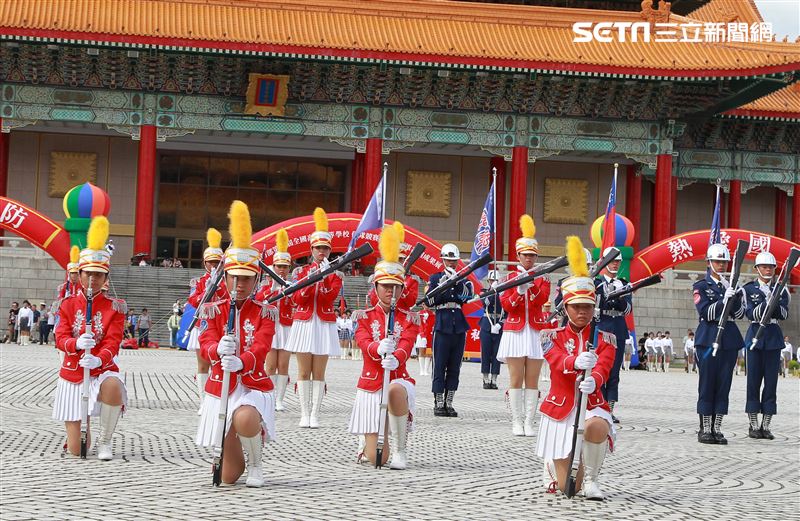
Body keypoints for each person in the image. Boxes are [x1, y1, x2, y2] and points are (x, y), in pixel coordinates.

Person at [196, 200, 277, 487]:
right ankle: (236, 458)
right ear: (226, 277)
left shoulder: (265, 312)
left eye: (246, 278)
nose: (240, 284)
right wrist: (216, 350)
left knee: (245, 417)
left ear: (256, 280)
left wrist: (242, 360)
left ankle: (256, 465)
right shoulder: (213, 310)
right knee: (228, 478)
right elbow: (205, 341)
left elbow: (262, 346)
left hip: (252, 385)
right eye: (234, 278)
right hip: (221, 385)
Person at [538, 236, 616, 500]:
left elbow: (604, 366)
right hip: (562, 407)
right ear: (566, 308)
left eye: (587, 307)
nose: (582, 312)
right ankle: (551, 465)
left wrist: (595, 379)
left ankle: (592, 480)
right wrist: (574, 362)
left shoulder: (606, 339)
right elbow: (555, 360)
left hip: (591, 404)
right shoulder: (550, 336)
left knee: (598, 425)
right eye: (576, 307)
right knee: (566, 488)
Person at [53, 216, 127, 460]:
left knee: (114, 385)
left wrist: (98, 359)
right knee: (79, 450)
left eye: (98, 275)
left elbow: (113, 341)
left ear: (106, 278)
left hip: (100, 369)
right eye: (88, 274)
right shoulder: (67, 304)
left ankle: (106, 441)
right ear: (80, 274)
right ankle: (76, 435)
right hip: (73, 371)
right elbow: (60, 337)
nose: (92, 280)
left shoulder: (115, 307)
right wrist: (75, 344)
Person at [349, 224, 419, 469]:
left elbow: (408, 342)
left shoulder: (409, 318)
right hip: (371, 384)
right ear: (376, 287)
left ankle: (401, 450)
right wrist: (376, 348)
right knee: (377, 458)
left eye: (396, 286)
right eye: (386, 286)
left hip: (397, 379)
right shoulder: (364, 316)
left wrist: (397, 357)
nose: (391, 290)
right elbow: (362, 340)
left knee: (395, 390)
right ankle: (367, 441)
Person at [285, 207, 342, 428]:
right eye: (318, 248)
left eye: (325, 248)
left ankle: (315, 414)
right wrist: (313, 278)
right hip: (304, 322)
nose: (322, 252)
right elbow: (299, 298)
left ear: (330, 250)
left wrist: (326, 276)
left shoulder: (336, 274)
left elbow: (329, 298)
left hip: (324, 323)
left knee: (319, 371)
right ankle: (304, 413)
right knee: (302, 370)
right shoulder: (300, 272)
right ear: (311, 249)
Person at [497, 215, 549, 436]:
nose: (529, 258)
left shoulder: (542, 278)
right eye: (525, 255)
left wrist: (532, 285)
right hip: (515, 331)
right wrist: (519, 291)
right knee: (516, 378)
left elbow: (542, 300)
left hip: (535, 330)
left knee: (533, 379)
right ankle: (516, 421)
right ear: (518, 255)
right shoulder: (509, 278)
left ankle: (529, 421)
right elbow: (507, 306)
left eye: (532, 255)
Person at [692, 243, 745, 445]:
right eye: (717, 261)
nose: (721, 265)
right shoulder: (701, 286)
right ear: (708, 263)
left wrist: (736, 297)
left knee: (724, 385)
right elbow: (706, 312)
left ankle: (717, 427)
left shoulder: (730, 285)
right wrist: (724, 301)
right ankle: (705, 428)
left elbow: (739, 314)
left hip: (728, 339)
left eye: (724, 262)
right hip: (708, 337)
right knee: (707, 383)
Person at [742, 252, 790, 440]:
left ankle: (766, 424)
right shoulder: (748, 289)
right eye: (764, 266)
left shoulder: (782, 289)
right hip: (755, 334)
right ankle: (753, 424)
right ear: (757, 269)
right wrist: (765, 303)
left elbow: (784, 314)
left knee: (771, 383)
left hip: (773, 337)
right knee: (753, 382)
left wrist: (774, 301)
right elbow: (749, 313)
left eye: (771, 267)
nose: (768, 270)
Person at [423, 243, 473, 417]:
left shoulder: (463, 279)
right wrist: (441, 286)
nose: (451, 263)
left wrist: (456, 281)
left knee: (455, 366)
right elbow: (429, 301)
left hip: (458, 325)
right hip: (442, 324)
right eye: (448, 260)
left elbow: (467, 297)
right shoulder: (436, 278)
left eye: (454, 260)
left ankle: (449, 402)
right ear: (442, 260)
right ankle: (438, 401)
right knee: (439, 365)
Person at [186, 228, 227, 410]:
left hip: (221, 325)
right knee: (203, 364)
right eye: (211, 262)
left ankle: (218, 399)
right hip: (202, 325)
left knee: (220, 364)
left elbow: (228, 298)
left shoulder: (227, 281)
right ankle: (204, 402)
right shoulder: (198, 282)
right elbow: (193, 300)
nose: (213, 266)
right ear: (205, 263)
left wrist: (218, 286)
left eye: (217, 263)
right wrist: (206, 290)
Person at [256, 228, 294, 412]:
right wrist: (272, 290)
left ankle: (279, 399)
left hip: (286, 327)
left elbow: (297, 302)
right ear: (273, 267)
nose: (282, 269)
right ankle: (269, 397)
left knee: (283, 365)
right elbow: (259, 302)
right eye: (279, 266)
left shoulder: (292, 285)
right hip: (270, 327)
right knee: (270, 365)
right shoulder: (265, 287)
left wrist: (289, 291)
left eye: (285, 266)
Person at [594, 247, 632, 423]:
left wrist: (620, 298)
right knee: (600, 369)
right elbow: (595, 306)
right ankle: (598, 406)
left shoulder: (624, 284)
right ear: (604, 262)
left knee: (614, 372)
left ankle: (609, 409)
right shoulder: (596, 283)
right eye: (612, 261)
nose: (615, 264)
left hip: (618, 330)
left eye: (618, 261)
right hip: (601, 328)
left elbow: (628, 310)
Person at [479, 270, 504, 390]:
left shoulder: (504, 292)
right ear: (488, 281)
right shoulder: (484, 292)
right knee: (486, 352)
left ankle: (494, 379)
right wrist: (492, 291)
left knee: (496, 353)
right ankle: (485, 378)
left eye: (496, 280)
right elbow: (486, 303)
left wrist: (500, 324)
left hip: (498, 324)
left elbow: (507, 310)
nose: (494, 282)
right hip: (486, 324)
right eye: (492, 280)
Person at [415, 304, 433, 376]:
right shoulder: (419, 313)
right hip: (421, 334)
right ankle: (421, 370)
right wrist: (421, 333)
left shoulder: (432, 314)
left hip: (429, 334)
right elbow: (418, 324)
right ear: (422, 305)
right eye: (424, 304)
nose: (426, 306)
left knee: (428, 352)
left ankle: (426, 370)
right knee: (421, 351)